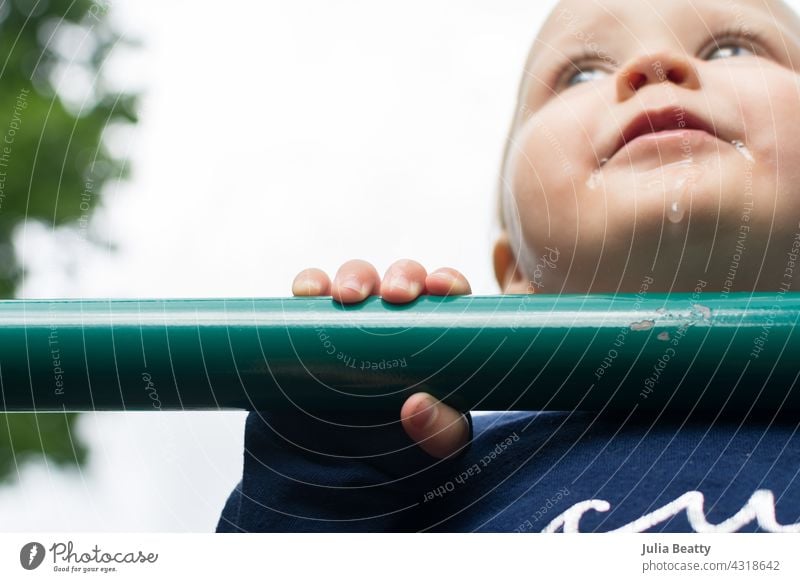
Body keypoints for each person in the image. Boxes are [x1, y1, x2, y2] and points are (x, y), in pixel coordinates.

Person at [217, 0, 800, 532]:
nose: (654, 62)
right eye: (582, 73)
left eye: (732, 49)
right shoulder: (440, 484)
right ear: (519, 274)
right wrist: (330, 456)